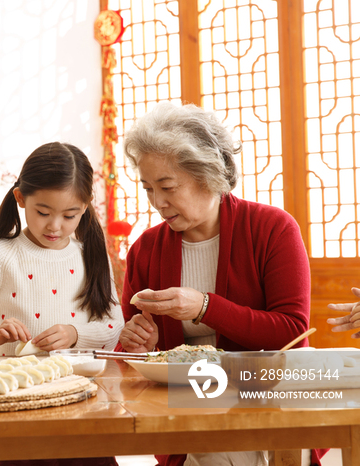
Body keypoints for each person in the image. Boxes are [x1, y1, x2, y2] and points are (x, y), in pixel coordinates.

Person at [116, 102, 326, 466]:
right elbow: (132, 358)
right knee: (213, 453)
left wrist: (205, 307)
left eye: (167, 186)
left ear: (209, 174)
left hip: (271, 392)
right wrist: (136, 343)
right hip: (189, 401)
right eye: (148, 188)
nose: (158, 203)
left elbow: (291, 330)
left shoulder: (273, 229)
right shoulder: (145, 250)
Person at [0, 142, 123, 466]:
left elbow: (113, 323)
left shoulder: (91, 255)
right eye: (43, 212)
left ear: (85, 207)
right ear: (21, 199)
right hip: (12, 401)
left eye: (70, 215)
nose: (55, 226)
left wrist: (74, 333)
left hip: (79, 399)